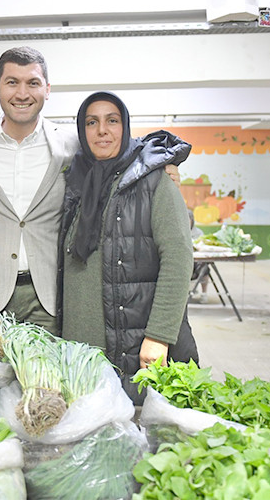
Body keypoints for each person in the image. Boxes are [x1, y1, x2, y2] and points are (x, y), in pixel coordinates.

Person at [0, 46, 179, 334]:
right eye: (12, 82)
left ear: (47, 89)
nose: (22, 93)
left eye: (33, 83)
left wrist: (163, 165)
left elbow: (119, 153)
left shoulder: (71, 143)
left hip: (49, 296)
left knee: (47, 365)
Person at [58, 91, 199, 404]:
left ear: (125, 126)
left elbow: (178, 259)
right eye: (91, 122)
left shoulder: (154, 182)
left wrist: (160, 335)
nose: (102, 130)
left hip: (131, 345)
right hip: (78, 350)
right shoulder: (74, 182)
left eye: (112, 120)